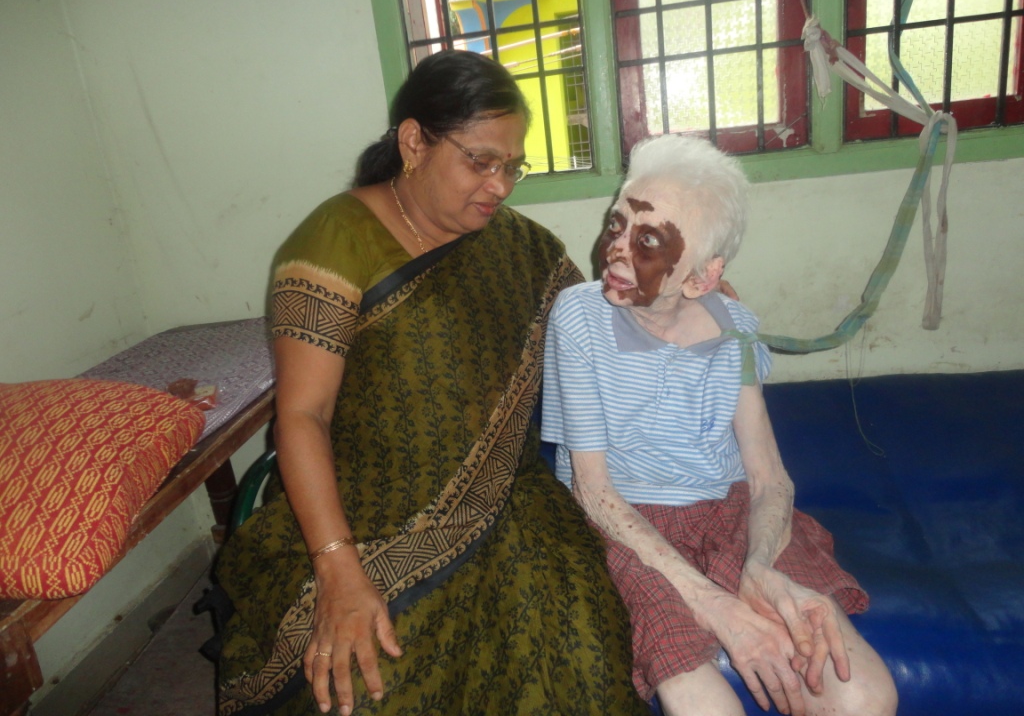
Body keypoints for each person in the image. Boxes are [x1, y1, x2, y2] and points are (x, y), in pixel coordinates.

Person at [213, 50, 648, 716]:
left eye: (513, 166)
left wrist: (683, 301)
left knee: (578, 657)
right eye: (481, 161)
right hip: (361, 512)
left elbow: (593, 327)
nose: (500, 186)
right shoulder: (335, 241)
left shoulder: (520, 246)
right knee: (369, 687)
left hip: (508, 501)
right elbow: (302, 416)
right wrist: (338, 569)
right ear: (414, 142)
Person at [541, 135, 898, 716]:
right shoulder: (578, 315)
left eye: (648, 240)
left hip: (729, 512)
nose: (615, 250)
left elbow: (769, 479)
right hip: (624, 524)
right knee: (706, 706)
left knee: (865, 697)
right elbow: (593, 491)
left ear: (702, 279)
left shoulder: (735, 328)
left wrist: (759, 567)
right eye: (616, 225)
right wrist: (718, 606)